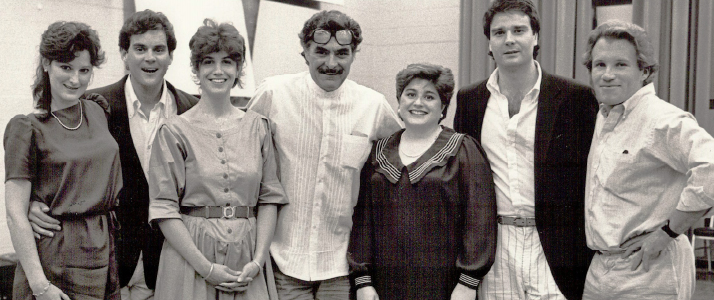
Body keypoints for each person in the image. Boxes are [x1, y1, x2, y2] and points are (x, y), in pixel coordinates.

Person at [27, 10, 199, 299]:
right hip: (107, 261)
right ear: (124, 53)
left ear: (171, 56)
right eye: (140, 49)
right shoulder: (92, 104)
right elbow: (56, 156)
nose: (150, 58)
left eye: (159, 49)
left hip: (172, 260)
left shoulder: (191, 109)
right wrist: (33, 201)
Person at [247, 10, 402, 300]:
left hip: (339, 264)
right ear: (305, 52)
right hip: (281, 259)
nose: (331, 63)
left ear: (354, 54)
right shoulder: (273, 95)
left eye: (342, 53)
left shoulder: (373, 106)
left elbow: (406, 157)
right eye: (321, 51)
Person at [453, 0, 598, 299]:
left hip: (555, 246)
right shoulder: (470, 100)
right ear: (489, 45)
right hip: (495, 245)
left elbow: (592, 176)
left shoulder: (575, 97)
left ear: (536, 38)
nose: (509, 39)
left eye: (519, 30)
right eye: (499, 32)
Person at [147, 19, 286, 300]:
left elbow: (269, 197)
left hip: (248, 258)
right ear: (197, 69)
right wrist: (206, 268)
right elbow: (163, 208)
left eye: (227, 62)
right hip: (190, 259)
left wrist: (257, 262)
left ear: (238, 70)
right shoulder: (173, 131)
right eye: (208, 62)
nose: (218, 70)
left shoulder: (259, 127)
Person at [581, 20, 714, 300]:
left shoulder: (661, 119)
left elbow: (711, 167)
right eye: (599, 65)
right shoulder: (604, 118)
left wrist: (668, 231)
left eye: (620, 65)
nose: (607, 74)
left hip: (651, 271)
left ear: (644, 71)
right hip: (601, 269)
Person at [348, 63, 497, 300]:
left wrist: (467, 284)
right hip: (384, 287)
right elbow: (364, 220)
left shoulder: (462, 149)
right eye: (411, 94)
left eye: (429, 96)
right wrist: (363, 280)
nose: (418, 103)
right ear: (399, 102)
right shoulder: (379, 153)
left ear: (443, 107)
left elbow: (480, 219)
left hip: (445, 287)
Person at [4, 21, 121, 300]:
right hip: (56, 254)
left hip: (103, 248)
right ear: (46, 64)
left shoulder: (97, 109)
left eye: (84, 70)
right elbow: (14, 213)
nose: (75, 79)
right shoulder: (27, 128)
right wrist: (40, 286)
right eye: (65, 67)